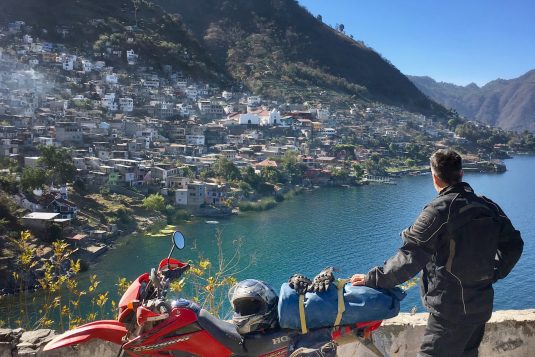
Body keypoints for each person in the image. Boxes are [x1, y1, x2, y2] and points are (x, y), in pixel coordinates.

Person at [350, 149, 523, 357]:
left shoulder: (439, 211)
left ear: (435, 177)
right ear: (461, 174)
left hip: (450, 313)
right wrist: (493, 272)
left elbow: (409, 258)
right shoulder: (487, 206)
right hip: (480, 306)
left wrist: (372, 278)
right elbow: (514, 245)